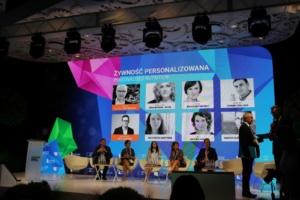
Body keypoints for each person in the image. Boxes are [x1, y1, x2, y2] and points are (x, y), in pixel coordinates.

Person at [238, 112, 260, 198]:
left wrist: (258, 141)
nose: (252, 119)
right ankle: (246, 192)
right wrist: (247, 155)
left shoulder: (247, 127)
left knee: (248, 172)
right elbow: (243, 143)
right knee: (246, 173)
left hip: (249, 155)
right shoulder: (243, 127)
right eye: (251, 117)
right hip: (247, 155)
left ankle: (246, 191)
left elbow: (249, 140)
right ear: (246, 119)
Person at [268, 105, 284, 171]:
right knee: (278, 168)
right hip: (276, 148)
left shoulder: (284, 121)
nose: (273, 115)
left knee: (283, 168)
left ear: (279, 112)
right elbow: (271, 138)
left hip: (283, 148)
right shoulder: (274, 123)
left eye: (274, 113)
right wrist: (271, 129)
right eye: (272, 113)